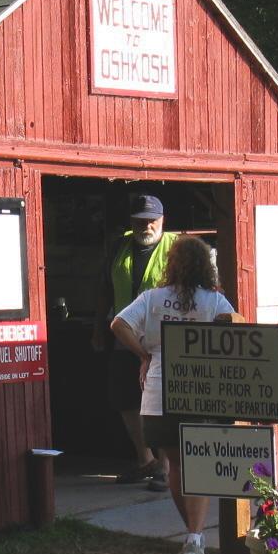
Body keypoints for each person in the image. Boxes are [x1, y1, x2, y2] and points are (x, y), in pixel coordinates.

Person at [110, 235, 235, 554]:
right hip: (200, 393)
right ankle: (194, 538)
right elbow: (234, 334)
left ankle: (193, 537)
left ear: (172, 264)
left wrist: (144, 355)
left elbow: (118, 324)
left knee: (176, 466)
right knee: (197, 466)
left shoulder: (152, 298)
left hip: (159, 394)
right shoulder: (215, 301)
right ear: (206, 266)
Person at [95, 193, 180, 488]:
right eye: (141, 221)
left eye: (152, 220)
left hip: (162, 338)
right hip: (125, 334)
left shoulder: (176, 248)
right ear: (132, 222)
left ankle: (166, 468)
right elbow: (105, 288)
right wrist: (98, 328)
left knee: (160, 402)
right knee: (125, 399)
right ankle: (146, 461)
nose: (147, 226)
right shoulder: (119, 246)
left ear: (162, 220)